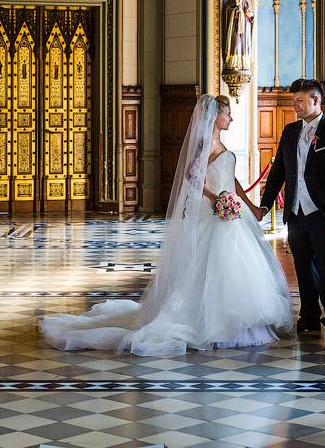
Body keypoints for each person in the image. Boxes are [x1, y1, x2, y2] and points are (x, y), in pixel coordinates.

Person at [40, 94, 293, 356]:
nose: (231, 118)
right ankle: (209, 325)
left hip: (231, 213)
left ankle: (242, 325)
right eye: (227, 114)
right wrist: (216, 199)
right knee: (212, 269)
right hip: (214, 214)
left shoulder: (221, 144)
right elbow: (191, 177)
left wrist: (250, 206)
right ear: (215, 117)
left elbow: (230, 179)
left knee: (240, 267)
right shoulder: (206, 143)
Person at [256, 78, 325, 342]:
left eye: (299, 101)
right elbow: (278, 171)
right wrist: (266, 204)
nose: (295, 106)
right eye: (294, 101)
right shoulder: (290, 131)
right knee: (303, 267)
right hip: (296, 213)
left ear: (316, 100)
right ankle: (309, 317)